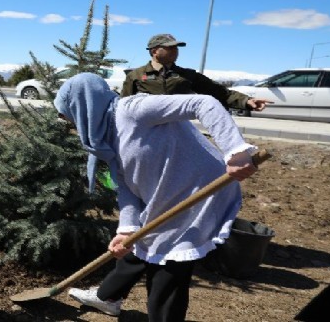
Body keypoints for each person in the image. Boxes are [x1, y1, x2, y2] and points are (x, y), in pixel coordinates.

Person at [55, 73, 258, 320]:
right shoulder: (105, 139)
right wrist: (127, 228)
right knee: (146, 247)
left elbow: (203, 102)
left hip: (201, 192)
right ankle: (109, 297)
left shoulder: (133, 110)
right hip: (168, 195)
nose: (67, 122)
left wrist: (235, 151)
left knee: (168, 267)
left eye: (68, 115)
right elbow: (127, 186)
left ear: (83, 107)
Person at [121, 33, 271, 112]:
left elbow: (219, 92)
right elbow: (123, 106)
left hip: (178, 129)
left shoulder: (187, 75)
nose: (175, 51)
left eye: (176, 48)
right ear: (154, 51)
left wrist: (246, 101)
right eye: (170, 48)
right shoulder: (136, 75)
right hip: (145, 130)